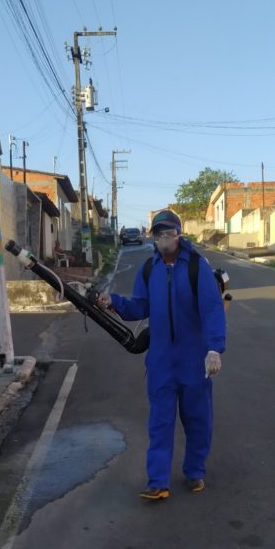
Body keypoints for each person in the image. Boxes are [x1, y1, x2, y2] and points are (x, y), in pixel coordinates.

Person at [98, 208, 226, 500]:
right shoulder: (149, 269)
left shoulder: (196, 267)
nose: (165, 238)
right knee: (160, 424)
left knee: (198, 421)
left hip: (194, 361)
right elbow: (139, 306)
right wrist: (112, 302)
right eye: (159, 233)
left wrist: (214, 349)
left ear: (179, 234)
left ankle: (195, 471)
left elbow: (212, 310)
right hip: (161, 362)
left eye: (169, 232)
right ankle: (158, 482)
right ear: (153, 237)